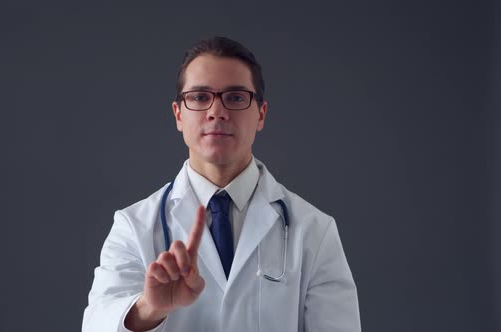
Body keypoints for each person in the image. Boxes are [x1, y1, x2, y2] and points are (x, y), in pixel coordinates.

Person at [82, 36, 361, 332]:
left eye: (236, 97)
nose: (217, 111)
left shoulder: (314, 231)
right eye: (200, 97)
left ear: (261, 114)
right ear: (178, 114)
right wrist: (149, 309)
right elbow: (96, 324)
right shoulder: (133, 226)